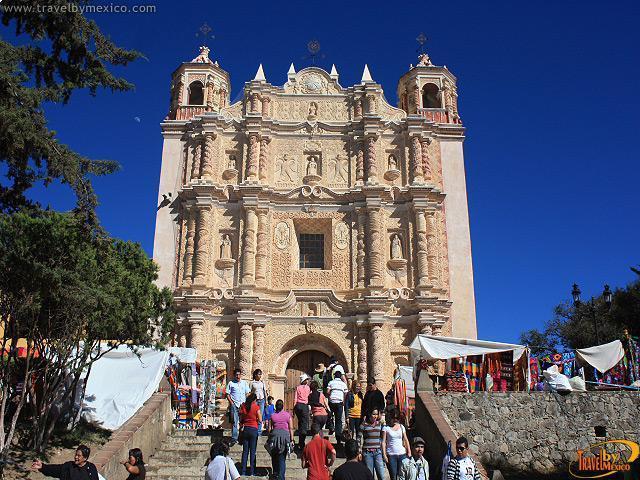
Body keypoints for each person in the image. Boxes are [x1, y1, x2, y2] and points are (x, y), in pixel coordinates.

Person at [31, 445, 99, 480]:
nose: (76, 457)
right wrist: (42, 466)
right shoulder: (69, 466)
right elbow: (55, 469)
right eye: (76, 454)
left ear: (85, 458)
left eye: (79, 456)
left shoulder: (91, 468)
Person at [268, 399, 294, 480]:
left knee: (274, 456)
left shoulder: (272, 415)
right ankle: (281, 477)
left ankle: (275, 474)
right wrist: (292, 439)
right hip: (285, 438)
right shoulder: (287, 415)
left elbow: (269, 429)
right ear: (283, 406)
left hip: (274, 437)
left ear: (276, 406)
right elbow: (291, 428)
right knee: (282, 458)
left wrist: (270, 438)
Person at [382, 408, 411, 480]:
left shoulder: (401, 427)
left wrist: (409, 451)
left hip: (402, 454)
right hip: (391, 455)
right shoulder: (386, 428)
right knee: (393, 476)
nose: (395, 420)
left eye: (397, 418)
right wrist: (384, 455)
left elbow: (406, 439)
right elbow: (383, 442)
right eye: (394, 418)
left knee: (402, 476)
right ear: (391, 417)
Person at [239, 392, 262, 476]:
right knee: (253, 451)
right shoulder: (256, 407)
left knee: (245, 451)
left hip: (246, 429)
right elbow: (260, 419)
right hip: (254, 429)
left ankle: (243, 471)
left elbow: (241, 418)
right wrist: (256, 419)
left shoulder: (244, 406)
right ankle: (252, 471)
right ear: (254, 400)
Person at [226, 368, 250, 445]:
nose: (238, 376)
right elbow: (227, 394)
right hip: (235, 405)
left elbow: (247, 393)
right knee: (234, 422)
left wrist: (247, 402)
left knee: (242, 422)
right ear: (234, 375)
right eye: (236, 375)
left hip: (242, 405)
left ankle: (241, 437)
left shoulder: (244, 383)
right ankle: (234, 438)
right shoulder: (231, 383)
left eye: (239, 374)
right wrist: (231, 403)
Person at [361, 409, 385, 480]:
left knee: (381, 475)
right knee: (370, 476)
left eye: (376, 414)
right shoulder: (364, 424)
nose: (375, 416)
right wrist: (359, 451)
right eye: (374, 414)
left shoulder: (380, 424)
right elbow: (358, 438)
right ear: (369, 414)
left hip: (378, 452)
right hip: (367, 453)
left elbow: (383, 438)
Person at [327, 371, 348, 446]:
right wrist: (343, 400)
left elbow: (328, 391)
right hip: (339, 402)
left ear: (334, 376)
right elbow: (346, 393)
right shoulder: (343, 384)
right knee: (338, 420)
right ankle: (338, 438)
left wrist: (329, 397)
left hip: (332, 401)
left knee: (329, 416)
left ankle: (331, 427)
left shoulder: (331, 382)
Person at [294, 373, 312, 450]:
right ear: (305, 380)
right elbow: (310, 397)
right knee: (304, 425)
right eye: (307, 379)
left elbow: (295, 398)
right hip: (304, 406)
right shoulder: (308, 388)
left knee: (300, 422)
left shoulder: (298, 387)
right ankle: (302, 443)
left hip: (298, 406)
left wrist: (294, 407)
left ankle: (300, 441)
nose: (307, 381)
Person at [250, 368, 268, 435]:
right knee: (254, 415)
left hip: (261, 400)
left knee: (260, 415)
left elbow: (265, 392)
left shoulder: (262, 382)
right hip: (254, 401)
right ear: (255, 375)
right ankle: (254, 430)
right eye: (259, 374)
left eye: (261, 374)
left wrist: (266, 401)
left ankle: (259, 432)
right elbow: (250, 392)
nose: (260, 376)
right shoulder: (252, 383)